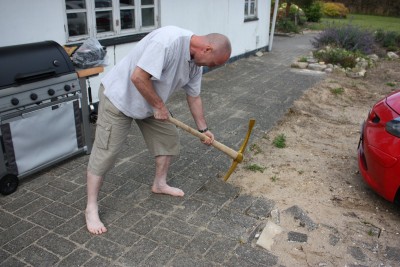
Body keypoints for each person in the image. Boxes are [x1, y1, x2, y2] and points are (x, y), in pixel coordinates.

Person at [85, 26, 232, 235]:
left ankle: (159, 184)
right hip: (119, 99)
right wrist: (159, 106)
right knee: (105, 153)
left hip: (150, 104)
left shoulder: (196, 63)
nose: (210, 67)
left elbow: (194, 96)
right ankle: (91, 207)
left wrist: (203, 129)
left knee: (168, 140)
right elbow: (138, 77)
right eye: (212, 63)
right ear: (207, 49)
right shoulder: (166, 42)